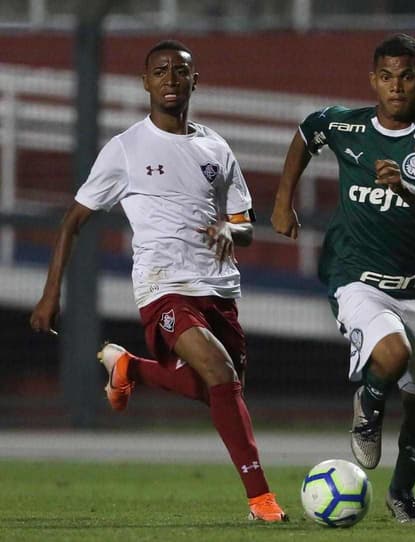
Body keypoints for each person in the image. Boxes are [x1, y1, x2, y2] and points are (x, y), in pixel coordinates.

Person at [30, 39, 287, 523]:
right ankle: (261, 500)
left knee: (219, 385)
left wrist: (231, 229)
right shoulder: (126, 148)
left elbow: (246, 225)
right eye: (161, 71)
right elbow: (72, 220)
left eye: (180, 71)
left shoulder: (216, 146)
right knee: (220, 373)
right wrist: (50, 293)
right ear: (146, 82)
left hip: (219, 286)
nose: (171, 79)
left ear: (195, 81)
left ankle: (131, 367)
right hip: (163, 283)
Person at [271, 33, 415, 524]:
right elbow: (307, 131)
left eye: (407, 76)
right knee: (391, 353)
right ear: (373, 80)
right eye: (387, 76)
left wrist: (406, 186)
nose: (396, 86)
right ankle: (369, 406)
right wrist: (282, 197)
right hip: (357, 276)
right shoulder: (346, 125)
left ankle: (401, 494)